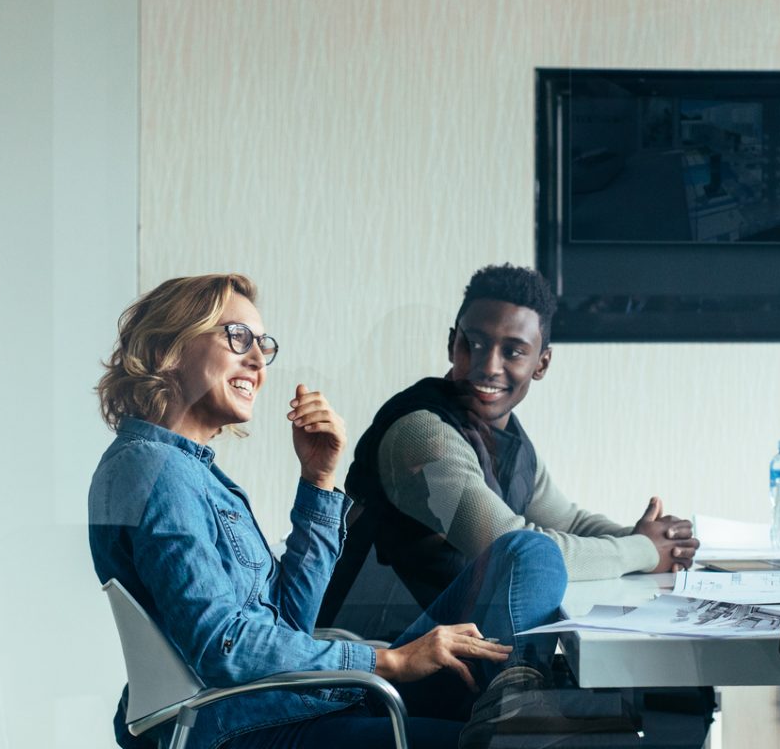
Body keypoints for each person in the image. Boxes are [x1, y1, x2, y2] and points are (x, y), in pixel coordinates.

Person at [87, 274, 567, 749]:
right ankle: (509, 720)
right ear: (168, 347)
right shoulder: (155, 470)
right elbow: (222, 645)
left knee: (528, 554)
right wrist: (389, 663)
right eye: (237, 337)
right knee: (506, 736)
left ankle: (508, 711)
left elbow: (291, 621)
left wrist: (318, 479)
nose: (258, 360)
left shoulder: (193, 474)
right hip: (243, 722)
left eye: (263, 344)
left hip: (292, 700)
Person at [342, 264, 697, 610]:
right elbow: (514, 550)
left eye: (512, 351)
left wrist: (654, 540)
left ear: (541, 364)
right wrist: (644, 550)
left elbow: (568, 522)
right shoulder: (422, 434)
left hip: (448, 645)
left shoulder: (504, 434)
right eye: (474, 344)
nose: (489, 365)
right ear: (453, 344)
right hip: (383, 652)